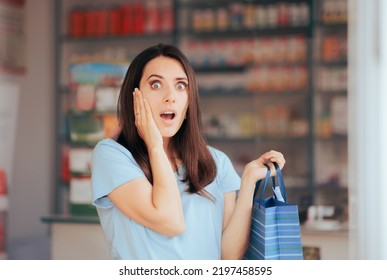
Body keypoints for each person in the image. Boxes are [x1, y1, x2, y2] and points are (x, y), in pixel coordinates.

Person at [91, 43, 286, 260]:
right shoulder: (112, 156)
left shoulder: (216, 162)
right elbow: (171, 221)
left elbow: (228, 256)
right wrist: (154, 145)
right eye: (156, 85)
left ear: (188, 102)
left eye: (181, 86)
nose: (170, 96)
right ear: (133, 97)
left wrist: (249, 181)